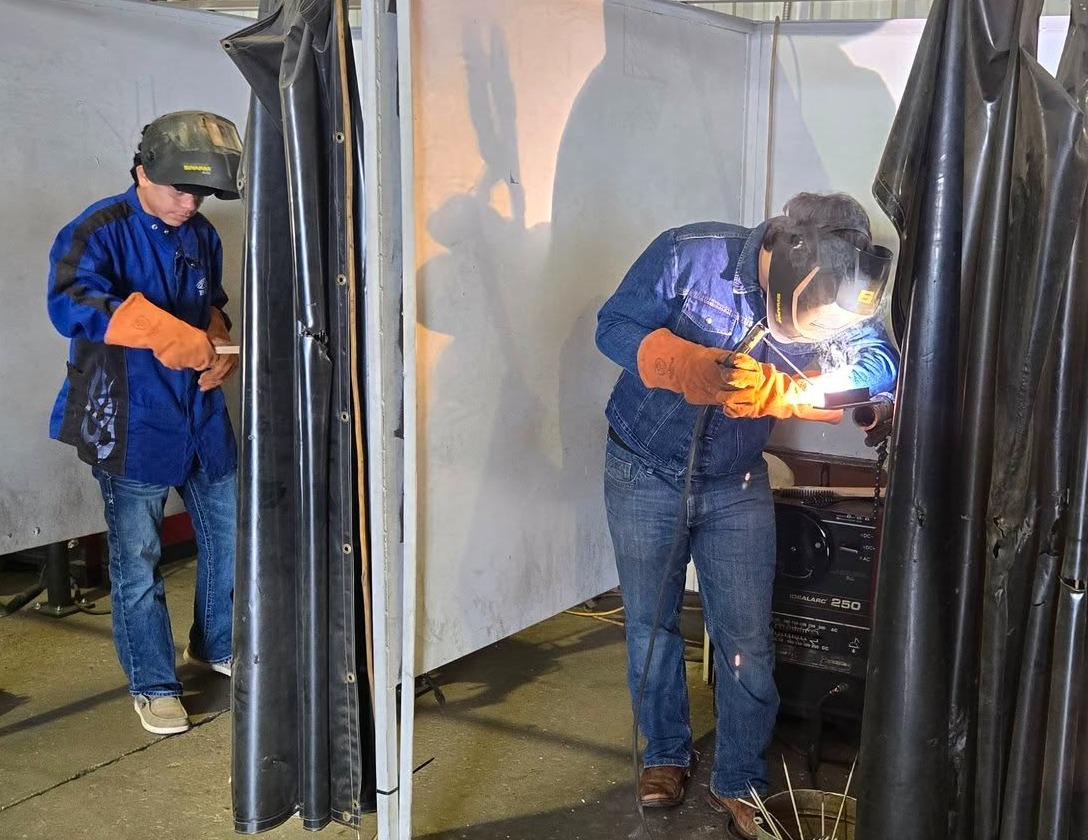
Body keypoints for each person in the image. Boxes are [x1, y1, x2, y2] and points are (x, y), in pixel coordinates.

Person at [595, 192, 899, 838]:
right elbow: (613, 324)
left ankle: (738, 778)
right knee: (652, 626)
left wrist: (795, 388)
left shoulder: (840, 284)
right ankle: (666, 754)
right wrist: (676, 363)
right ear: (783, 263)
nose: (815, 337)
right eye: (807, 323)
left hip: (735, 479)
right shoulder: (690, 255)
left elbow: (881, 365)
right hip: (642, 467)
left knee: (748, 642)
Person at [46, 111, 244, 736]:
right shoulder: (97, 229)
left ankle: (215, 645)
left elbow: (212, 304)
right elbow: (69, 302)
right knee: (137, 558)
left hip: (200, 414)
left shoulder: (202, 233)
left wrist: (216, 343)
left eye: (201, 193)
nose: (189, 203)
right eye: (179, 190)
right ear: (142, 171)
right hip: (128, 419)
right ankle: (153, 684)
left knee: (231, 536)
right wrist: (163, 332)